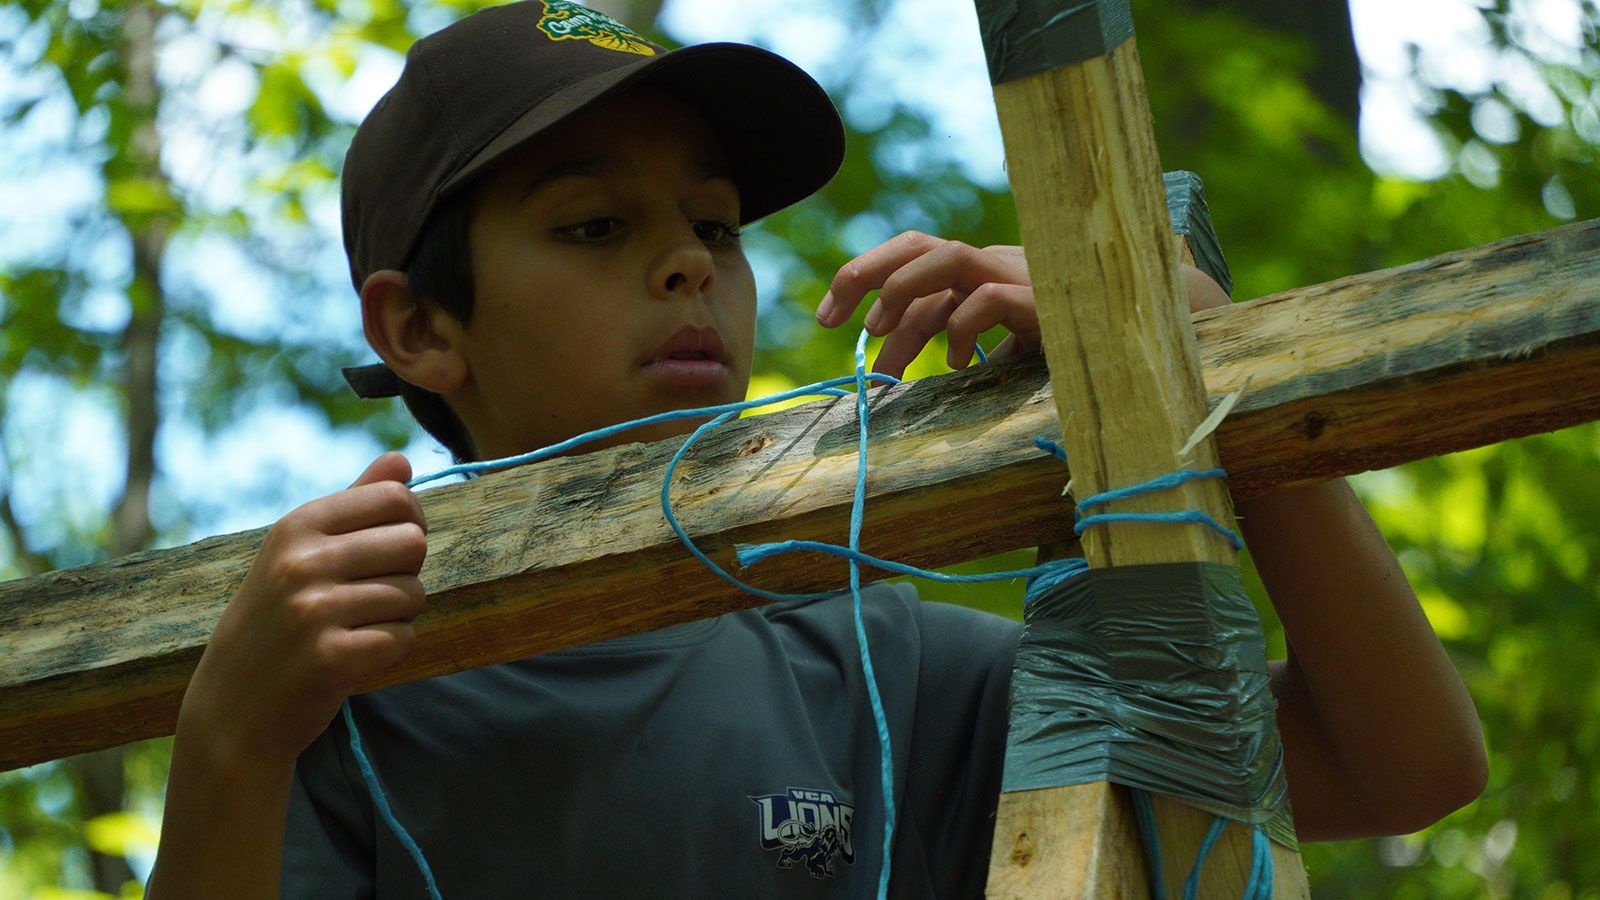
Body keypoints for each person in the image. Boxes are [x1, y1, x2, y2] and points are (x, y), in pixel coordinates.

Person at [146, 2, 1487, 896]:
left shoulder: (880, 668)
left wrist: (1191, 366)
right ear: (422, 329)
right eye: (594, 229)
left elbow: (1397, 767)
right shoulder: (342, 706)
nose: (686, 265)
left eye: (714, 226)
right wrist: (227, 746)